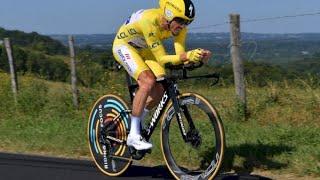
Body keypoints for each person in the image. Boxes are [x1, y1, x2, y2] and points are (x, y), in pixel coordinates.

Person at [112, 0, 212, 151]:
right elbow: (162, 59)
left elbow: (180, 56)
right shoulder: (150, 20)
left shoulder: (179, 29)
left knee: (161, 88)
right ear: (169, 14)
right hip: (125, 46)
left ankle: (137, 121)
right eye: (180, 21)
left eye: (187, 23)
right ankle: (133, 135)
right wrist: (187, 56)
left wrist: (197, 57)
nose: (183, 26)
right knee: (147, 82)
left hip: (145, 50)